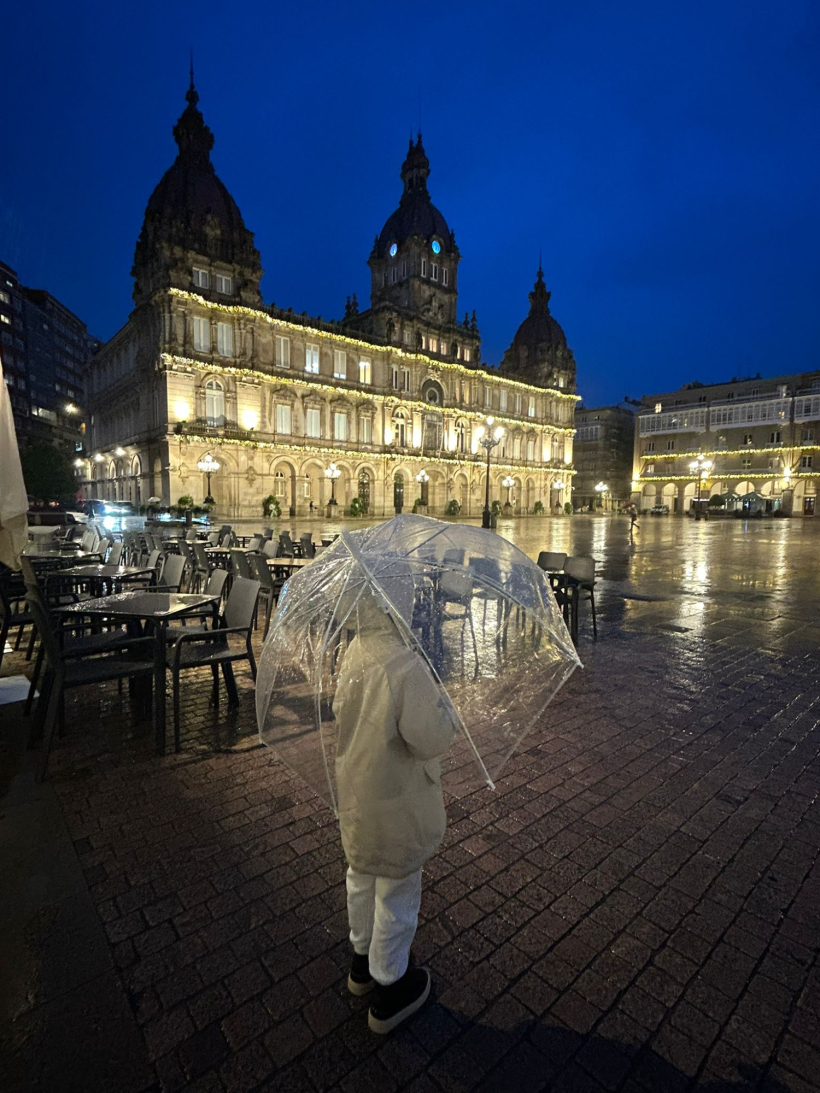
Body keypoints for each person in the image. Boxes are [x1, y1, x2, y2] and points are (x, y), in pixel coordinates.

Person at [332, 571, 457, 1034]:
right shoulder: (405, 666)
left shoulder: (353, 651)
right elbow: (430, 738)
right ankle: (390, 986)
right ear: (394, 603)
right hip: (397, 801)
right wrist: (446, 712)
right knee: (397, 889)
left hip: (358, 793)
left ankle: (361, 961)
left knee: (361, 875)